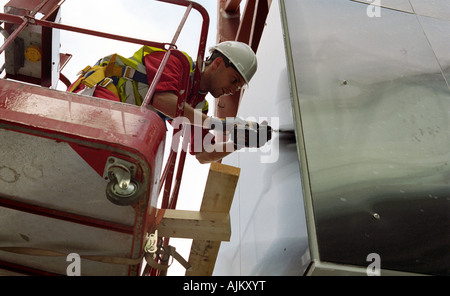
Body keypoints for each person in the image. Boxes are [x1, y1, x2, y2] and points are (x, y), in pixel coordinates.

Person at [68, 41, 271, 164]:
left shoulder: (199, 106)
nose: (232, 90)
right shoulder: (178, 62)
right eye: (234, 80)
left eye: (238, 87)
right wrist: (218, 124)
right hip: (98, 93)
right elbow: (163, 101)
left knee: (133, 158)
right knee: (123, 151)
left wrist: (238, 142)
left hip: (119, 118)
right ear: (217, 64)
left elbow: (202, 154)